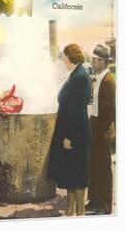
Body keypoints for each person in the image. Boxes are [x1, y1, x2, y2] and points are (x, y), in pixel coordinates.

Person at [47, 44, 92, 216]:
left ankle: (79, 214)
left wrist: (68, 137)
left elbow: (76, 112)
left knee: (78, 178)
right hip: (74, 132)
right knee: (72, 175)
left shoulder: (80, 77)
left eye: (63, 56)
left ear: (69, 56)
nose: (62, 60)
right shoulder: (75, 74)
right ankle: (70, 210)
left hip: (76, 134)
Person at [87, 44, 116, 214]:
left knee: (103, 166)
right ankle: (94, 200)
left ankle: (104, 205)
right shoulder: (99, 78)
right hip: (95, 125)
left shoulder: (109, 81)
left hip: (103, 127)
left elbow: (112, 108)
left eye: (95, 60)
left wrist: (112, 126)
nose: (92, 62)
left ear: (103, 62)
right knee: (95, 164)